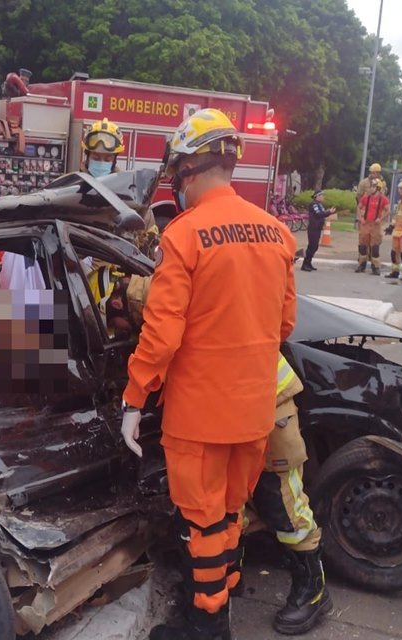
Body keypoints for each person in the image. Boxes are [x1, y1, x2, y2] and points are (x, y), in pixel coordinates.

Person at [119, 108, 296, 640]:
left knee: (201, 521)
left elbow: (162, 334)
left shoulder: (185, 233)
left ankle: (207, 624)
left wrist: (133, 398)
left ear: (189, 168)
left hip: (198, 416)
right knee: (229, 513)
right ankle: (225, 592)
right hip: (253, 410)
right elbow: (285, 323)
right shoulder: (276, 233)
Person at [246, 354, 331, 635]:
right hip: (241, 403)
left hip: (268, 401)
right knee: (240, 501)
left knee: (284, 504)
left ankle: (313, 592)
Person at [355, 179, 389, 275]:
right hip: (365, 224)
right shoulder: (366, 198)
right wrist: (361, 218)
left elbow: (387, 210)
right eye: (370, 186)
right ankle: (362, 265)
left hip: (375, 225)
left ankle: (376, 267)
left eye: (373, 186)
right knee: (362, 245)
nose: (370, 188)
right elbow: (359, 207)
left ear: (378, 188)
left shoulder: (383, 199)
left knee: (375, 247)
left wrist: (380, 218)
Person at [301, 190, 335, 272]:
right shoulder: (314, 204)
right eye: (322, 195)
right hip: (313, 228)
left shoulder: (319, 204)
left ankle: (309, 263)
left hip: (317, 228)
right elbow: (319, 214)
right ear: (317, 196)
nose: (323, 197)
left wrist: (328, 212)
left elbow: (322, 213)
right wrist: (329, 212)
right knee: (312, 246)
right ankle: (305, 264)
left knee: (315, 246)